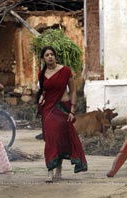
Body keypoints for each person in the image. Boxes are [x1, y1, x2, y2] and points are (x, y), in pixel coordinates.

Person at [36, 46, 87, 182]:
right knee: (51, 138)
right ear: (43, 58)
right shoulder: (41, 74)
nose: (50, 57)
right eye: (47, 55)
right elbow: (43, 91)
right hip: (49, 110)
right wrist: (41, 97)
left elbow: (73, 91)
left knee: (62, 139)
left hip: (63, 109)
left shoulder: (65, 71)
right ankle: (50, 170)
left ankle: (59, 168)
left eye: (52, 54)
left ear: (55, 56)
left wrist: (72, 110)